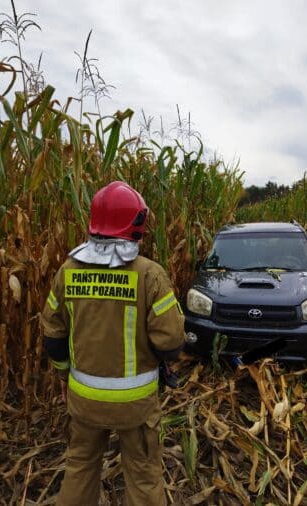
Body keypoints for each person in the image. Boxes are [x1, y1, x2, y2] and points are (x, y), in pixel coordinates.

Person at [41, 181, 185, 505]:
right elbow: (171, 342)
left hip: (84, 401)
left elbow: (53, 335)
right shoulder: (149, 275)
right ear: (137, 224)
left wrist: (64, 375)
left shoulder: (68, 271)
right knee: (144, 476)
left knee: (79, 467)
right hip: (136, 405)